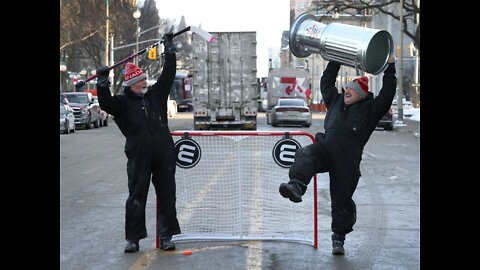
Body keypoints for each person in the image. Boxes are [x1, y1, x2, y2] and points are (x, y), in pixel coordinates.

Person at [279, 55, 397, 255]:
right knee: (306, 153)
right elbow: (326, 82)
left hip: (347, 161)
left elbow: (387, 93)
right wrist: (335, 59)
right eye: (347, 88)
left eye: (352, 89)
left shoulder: (371, 110)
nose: (347, 90)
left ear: (361, 94)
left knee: (341, 200)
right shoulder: (334, 101)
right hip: (326, 149)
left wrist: (391, 67)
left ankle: (338, 239)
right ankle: (297, 186)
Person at [95, 33, 181, 253]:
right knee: (136, 197)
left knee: (167, 195)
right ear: (132, 84)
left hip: (163, 154)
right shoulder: (122, 104)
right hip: (139, 156)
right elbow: (105, 102)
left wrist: (169, 50)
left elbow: (168, 75)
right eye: (141, 80)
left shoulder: (156, 95)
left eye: (144, 79)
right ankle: (133, 239)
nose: (145, 82)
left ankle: (166, 236)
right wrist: (102, 81)